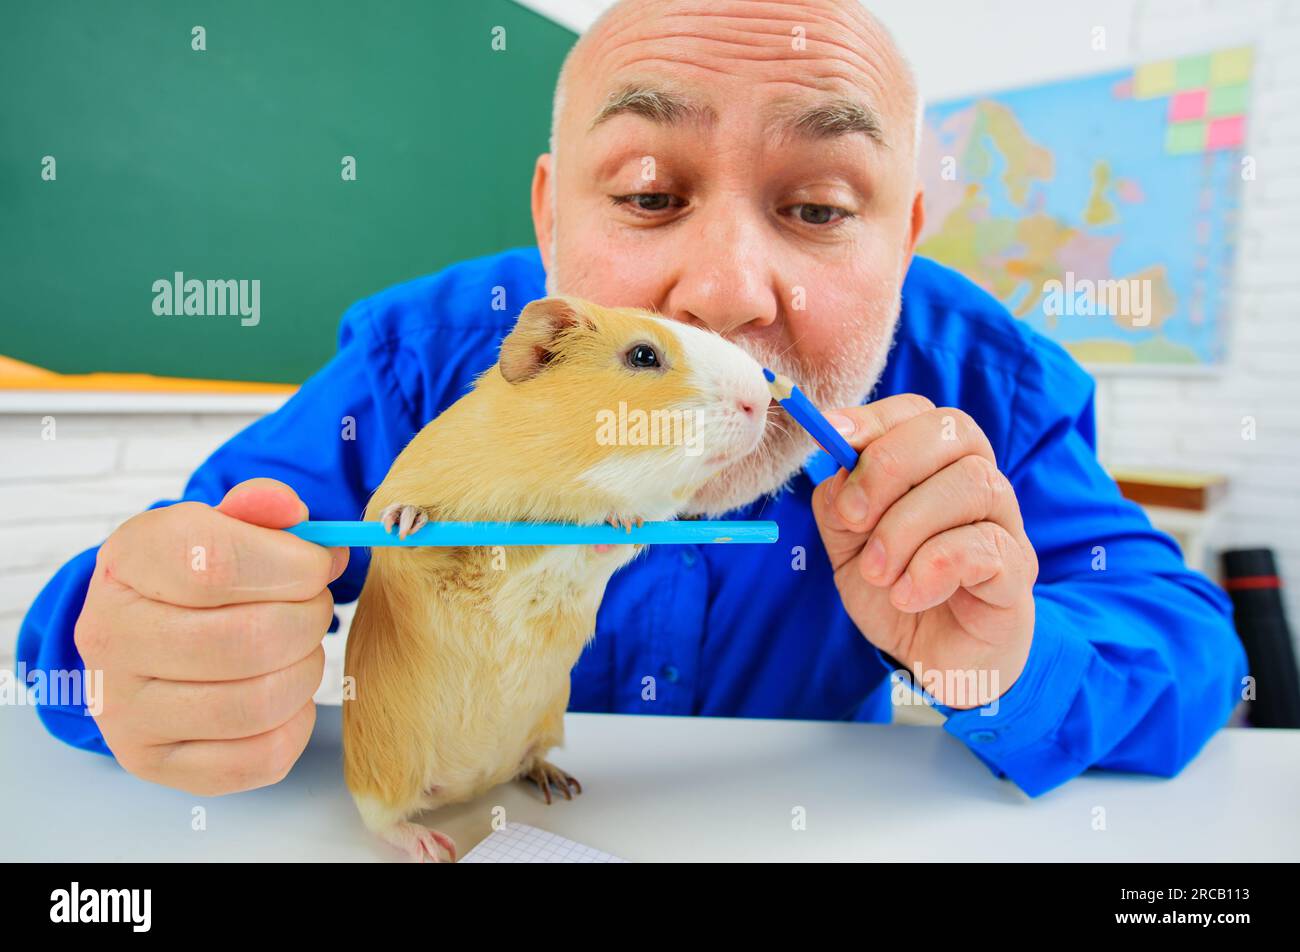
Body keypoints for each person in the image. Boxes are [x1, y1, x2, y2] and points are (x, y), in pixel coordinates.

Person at [17, 0, 1246, 798]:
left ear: (906, 237)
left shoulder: (989, 379)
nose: (720, 296)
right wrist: (153, 641)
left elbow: (1190, 654)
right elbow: (151, 594)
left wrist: (1009, 658)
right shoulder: (424, 356)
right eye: (650, 194)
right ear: (552, 215)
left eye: (818, 207)